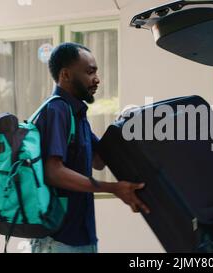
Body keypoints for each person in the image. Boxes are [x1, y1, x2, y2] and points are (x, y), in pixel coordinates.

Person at [30, 42, 150, 253]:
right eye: (89, 72)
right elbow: (53, 172)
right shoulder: (56, 110)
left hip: (81, 237)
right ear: (66, 75)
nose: (97, 79)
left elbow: (99, 160)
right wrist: (114, 188)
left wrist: (123, 123)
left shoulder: (77, 113)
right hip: (58, 241)